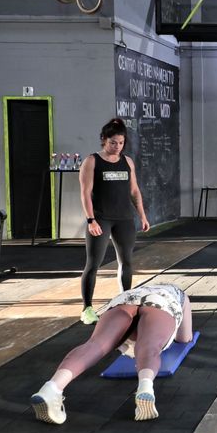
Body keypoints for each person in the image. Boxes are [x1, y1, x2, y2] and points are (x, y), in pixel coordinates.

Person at [30, 284, 192, 424]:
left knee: (95, 345)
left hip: (124, 300)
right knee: (150, 347)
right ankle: (145, 387)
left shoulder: (143, 288)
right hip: (161, 304)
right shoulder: (180, 294)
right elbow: (185, 338)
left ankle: (52, 388)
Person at [78, 118, 150, 324]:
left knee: (126, 261)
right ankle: (87, 309)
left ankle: (125, 300)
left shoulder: (127, 162)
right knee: (93, 264)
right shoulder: (91, 161)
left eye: (120, 143)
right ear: (103, 140)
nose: (117, 146)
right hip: (101, 218)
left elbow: (134, 191)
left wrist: (142, 216)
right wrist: (91, 220)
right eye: (113, 143)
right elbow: (85, 193)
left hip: (125, 219)